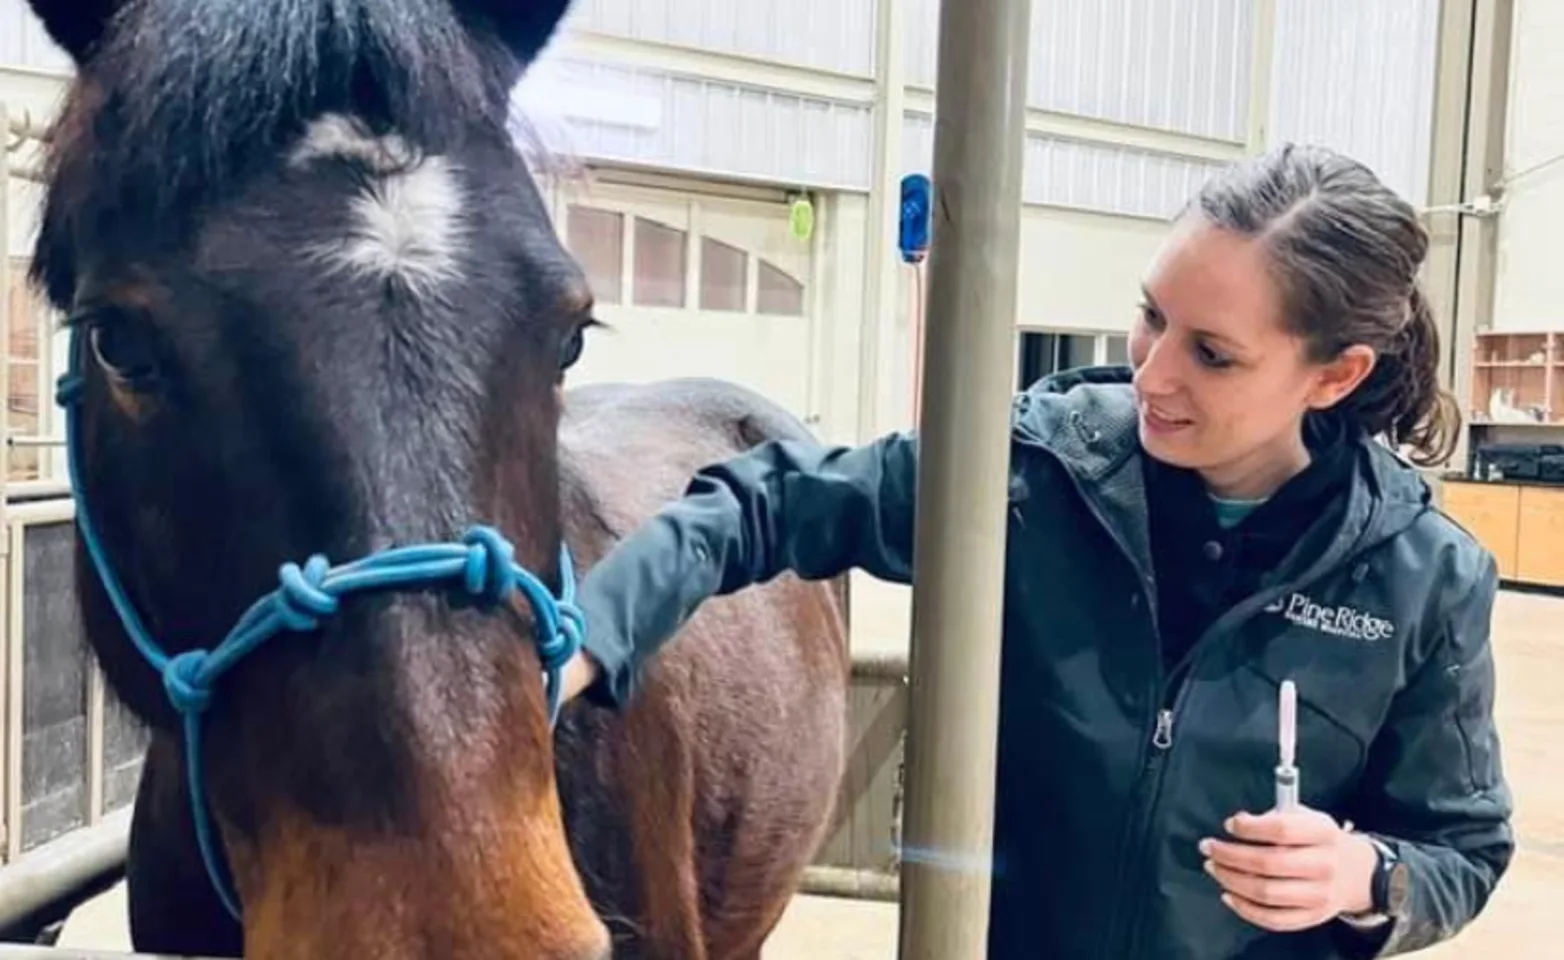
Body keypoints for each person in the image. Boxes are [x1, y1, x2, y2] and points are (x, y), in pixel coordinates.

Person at [557, 143, 1514, 959]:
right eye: (1151, 317)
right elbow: (759, 505)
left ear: (1334, 376)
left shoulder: (1425, 580)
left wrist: (1367, 875)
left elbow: (1461, 847)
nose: (1153, 371)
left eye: (1212, 354)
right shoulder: (1031, 476)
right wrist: (588, 634)